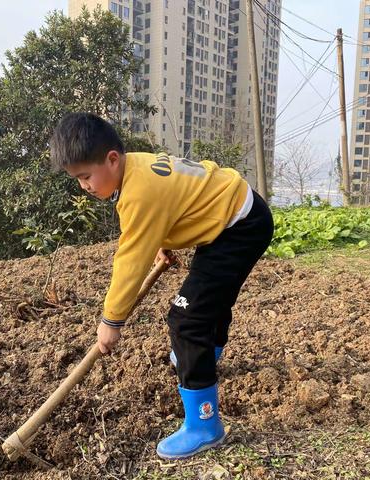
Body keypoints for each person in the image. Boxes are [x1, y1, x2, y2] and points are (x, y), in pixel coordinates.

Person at [49, 112, 274, 459]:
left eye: (86, 177)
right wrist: (162, 243)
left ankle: (204, 425)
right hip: (234, 215)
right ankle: (201, 357)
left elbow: (129, 261)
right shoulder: (135, 166)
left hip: (238, 227)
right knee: (209, 300)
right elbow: (175, 200)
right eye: (77, 179)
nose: (85, 186)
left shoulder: (138, 193)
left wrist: (111, 321)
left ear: (111, 159)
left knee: (187, 321)